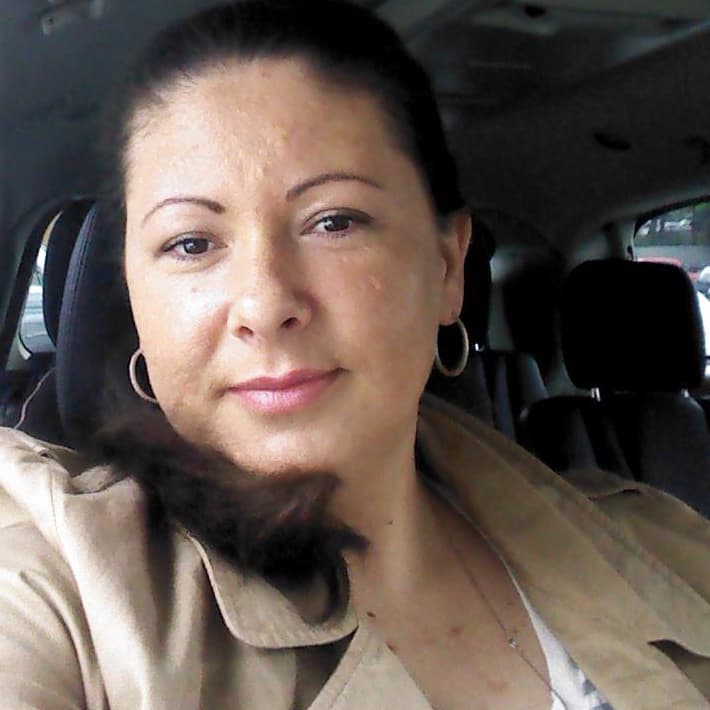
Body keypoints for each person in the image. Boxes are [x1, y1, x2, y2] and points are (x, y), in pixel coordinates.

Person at [0, 1, 709, 708]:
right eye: (192, 243)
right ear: (136, 298)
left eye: (334, 222)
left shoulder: (664, 545)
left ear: (446, 268)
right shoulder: (57, 585)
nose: (265, 304)